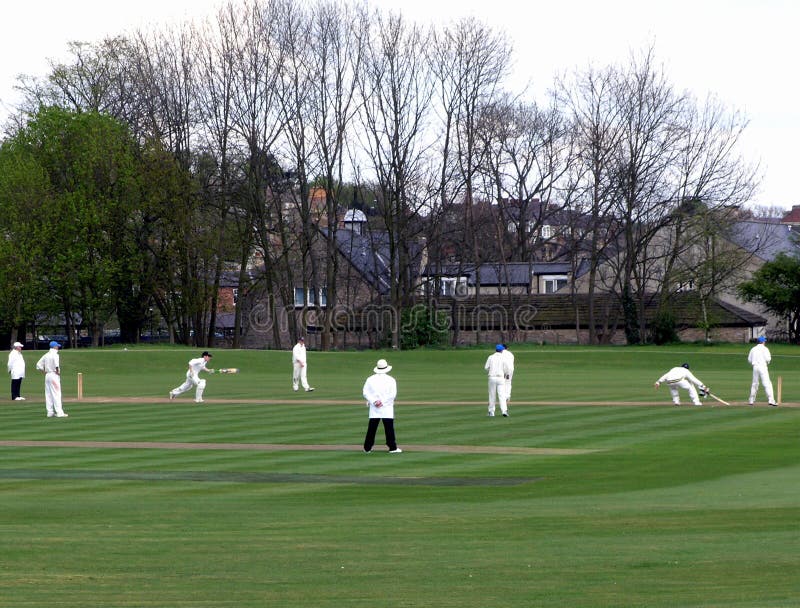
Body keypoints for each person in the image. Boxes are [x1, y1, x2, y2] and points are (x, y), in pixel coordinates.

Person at [362, 358, 401, 453]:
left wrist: (375, 401)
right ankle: (392, 447)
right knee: (389, 428)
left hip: (375, 407)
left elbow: (365, 392)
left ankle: (367, 448)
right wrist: (382, 402)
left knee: (372, 427)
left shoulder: (370, 379)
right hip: (386, 407)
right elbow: (392, 394)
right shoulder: (391, 380)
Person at [35, 341, 67, 418]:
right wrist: (57, 371)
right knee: (56, 394)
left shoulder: (46, 355)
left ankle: (50, 412)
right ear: (54, 347)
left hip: (48, 375)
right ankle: (59, 412)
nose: (58, 348)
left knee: (48, 394)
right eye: (57, 346)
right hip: (53, 375)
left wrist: (44, 371)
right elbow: (56, 364)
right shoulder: (55, 354)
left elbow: (38, 365)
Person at [748, 336, 777, 406]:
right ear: (763, 342)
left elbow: (749, 360)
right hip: (762, 367)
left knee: (755, 383)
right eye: (764, 341)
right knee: (767, 383)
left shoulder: (753, 349)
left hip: (755, 367)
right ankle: (771, 400)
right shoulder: (765, 349)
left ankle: (751, 400)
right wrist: (767, 362)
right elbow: (768, 359)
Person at [485, 344, 511, 417]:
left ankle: (491, 412)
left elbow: (486, 368)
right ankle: (504, 411)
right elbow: (507, 369)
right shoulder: (503, 358)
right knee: (502, 395)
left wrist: (491, 371)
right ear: (502, 350)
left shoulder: (490, 357)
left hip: (492, 377)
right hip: (501, 378)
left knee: (492, 395)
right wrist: (505, 374)